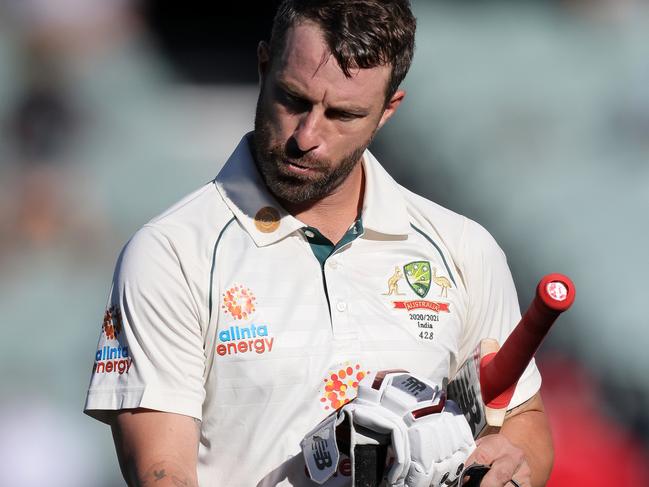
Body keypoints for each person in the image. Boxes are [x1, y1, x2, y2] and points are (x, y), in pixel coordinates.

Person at [84, 1, 553, 486]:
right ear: (264, 67)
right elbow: (162, 473)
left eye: (343, 114)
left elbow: (524, 421)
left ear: (388, 111)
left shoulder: (462, 247)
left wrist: (508, 466)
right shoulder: (172, 253)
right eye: (293, 99)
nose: (308, 136)